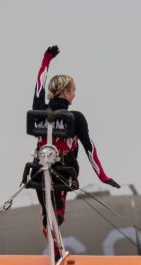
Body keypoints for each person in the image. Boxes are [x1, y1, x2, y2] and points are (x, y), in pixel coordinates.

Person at [31, 45, 120, 227]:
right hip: (66, 170)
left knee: (44, 157)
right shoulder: (76, 118)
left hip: (38, 170)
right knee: (75, 144)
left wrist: (46, 60)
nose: (75, 94)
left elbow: (39, 84)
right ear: (65, 93)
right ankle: (59, 206)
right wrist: (103, 176)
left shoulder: (38, 110)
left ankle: (48, 216)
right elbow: (90, 148)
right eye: (73, 90)